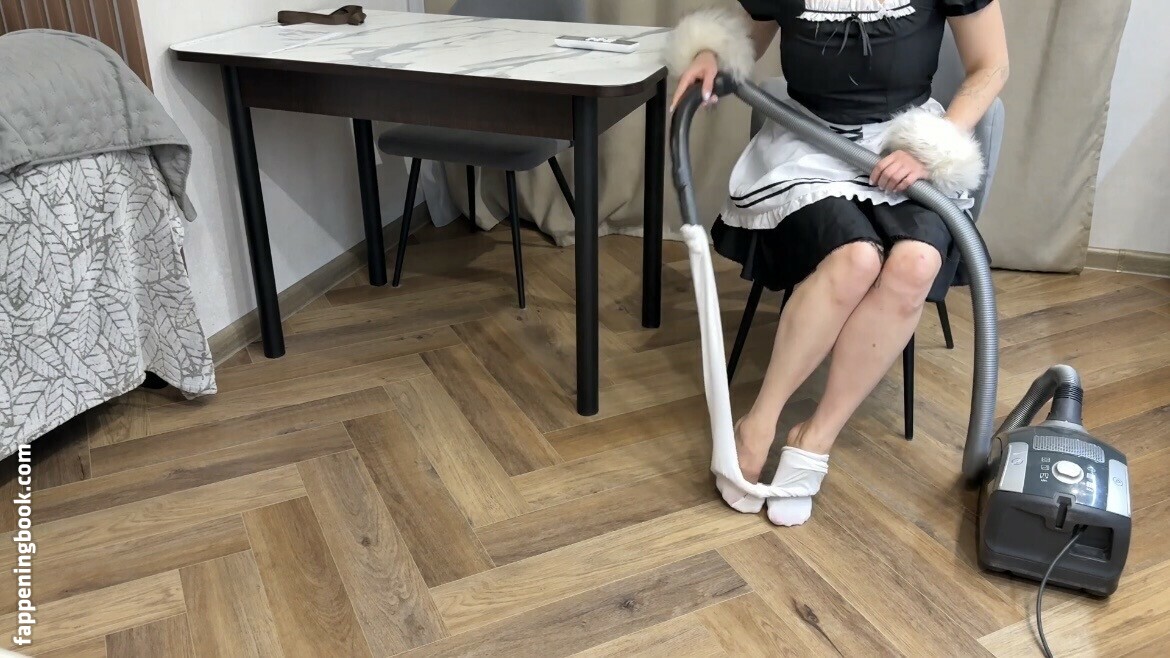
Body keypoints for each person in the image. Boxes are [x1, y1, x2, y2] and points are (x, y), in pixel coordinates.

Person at [665, 0, 1008, 526]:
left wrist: (931, 147)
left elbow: (992, 64)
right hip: (806, 141)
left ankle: (815, 437)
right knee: (854, 260)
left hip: (905, 147)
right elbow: (746, 37)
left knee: (916, 263)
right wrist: (713, 53)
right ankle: (759, 422)